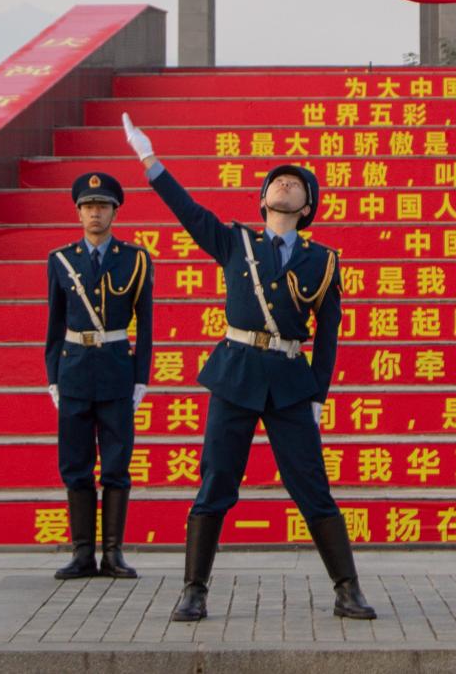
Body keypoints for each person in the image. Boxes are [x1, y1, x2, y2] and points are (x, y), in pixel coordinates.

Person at [118, 115, 376, 621]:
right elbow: (187, 211)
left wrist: (319, 395)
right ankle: (194, 589)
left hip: (288, 380)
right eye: (277, 181)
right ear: (263, 201)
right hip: (235, 372)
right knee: (216, 482)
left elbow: (328, 333)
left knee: (311, 486)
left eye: (295, 183)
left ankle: (348, 589)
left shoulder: (323, 261)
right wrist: (149, 159)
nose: (284, 184)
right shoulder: (235, 242)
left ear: (307, 207)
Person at [44, 171, 154, 580]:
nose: (95, 213)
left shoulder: (136, 259)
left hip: (115, 370)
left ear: (115, 212)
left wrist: (141, 376)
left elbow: (146, 323)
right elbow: (54, 324)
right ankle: (82, 554)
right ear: (78, 213)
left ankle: (113, 554)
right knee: (75, 464)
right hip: (73, 369)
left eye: (103, 207)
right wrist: (52, 375)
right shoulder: (61, 260)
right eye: (89, 207)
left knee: (116, 464)